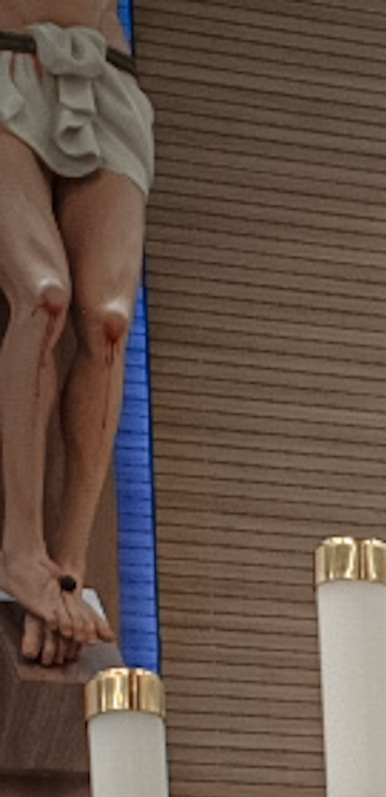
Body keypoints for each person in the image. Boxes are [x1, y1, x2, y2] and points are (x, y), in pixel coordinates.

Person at [0, 0, 150, 665]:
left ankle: (68, 567)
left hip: (106, 75)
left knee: (110, 322)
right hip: (5, 56)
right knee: (44, 295)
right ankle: (20, 549)